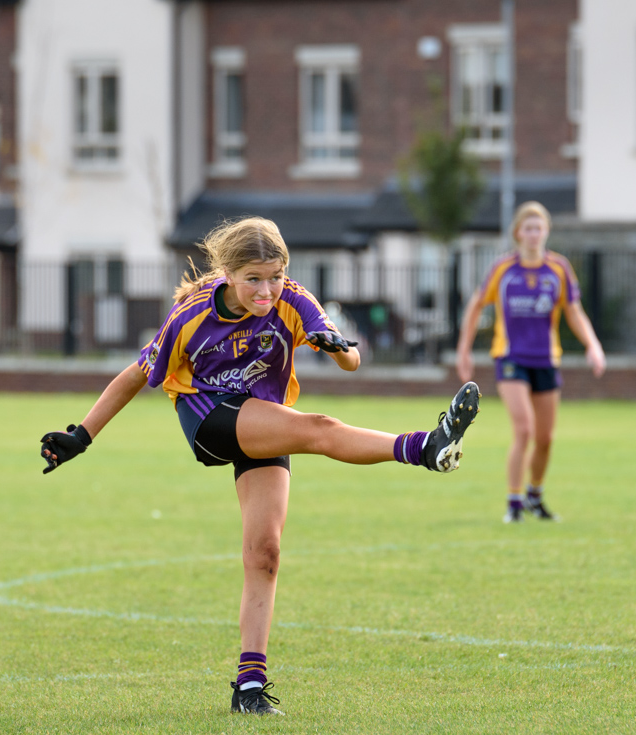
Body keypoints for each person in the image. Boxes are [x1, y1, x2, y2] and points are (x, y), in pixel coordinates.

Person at [38, 217, 480, 716]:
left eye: (274, 276)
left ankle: (249, 688)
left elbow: (352, 361)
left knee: (264, 552)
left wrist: (340, 348)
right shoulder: (189, 316)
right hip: (208, 417)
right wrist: (81, 435)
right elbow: (136, 375)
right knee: (319, 427)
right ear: (226, 272)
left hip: (263, 420)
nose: (266, 290)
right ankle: (426, 446)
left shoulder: (293, 298)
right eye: (253, 279)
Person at [455, 202, 606, 524]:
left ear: (546, 232)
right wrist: (464, 350)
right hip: (511, 358)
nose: (534, 234)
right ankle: (514, 501)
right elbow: (475, 305)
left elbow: (574, 311)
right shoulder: (503, 269)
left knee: (545, 438)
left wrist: (593, 345)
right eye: (528, 228)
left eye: (539, 228)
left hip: (546, 360)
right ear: (518, 233)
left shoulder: (559, 269)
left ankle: (535, 495)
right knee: (523, 429)